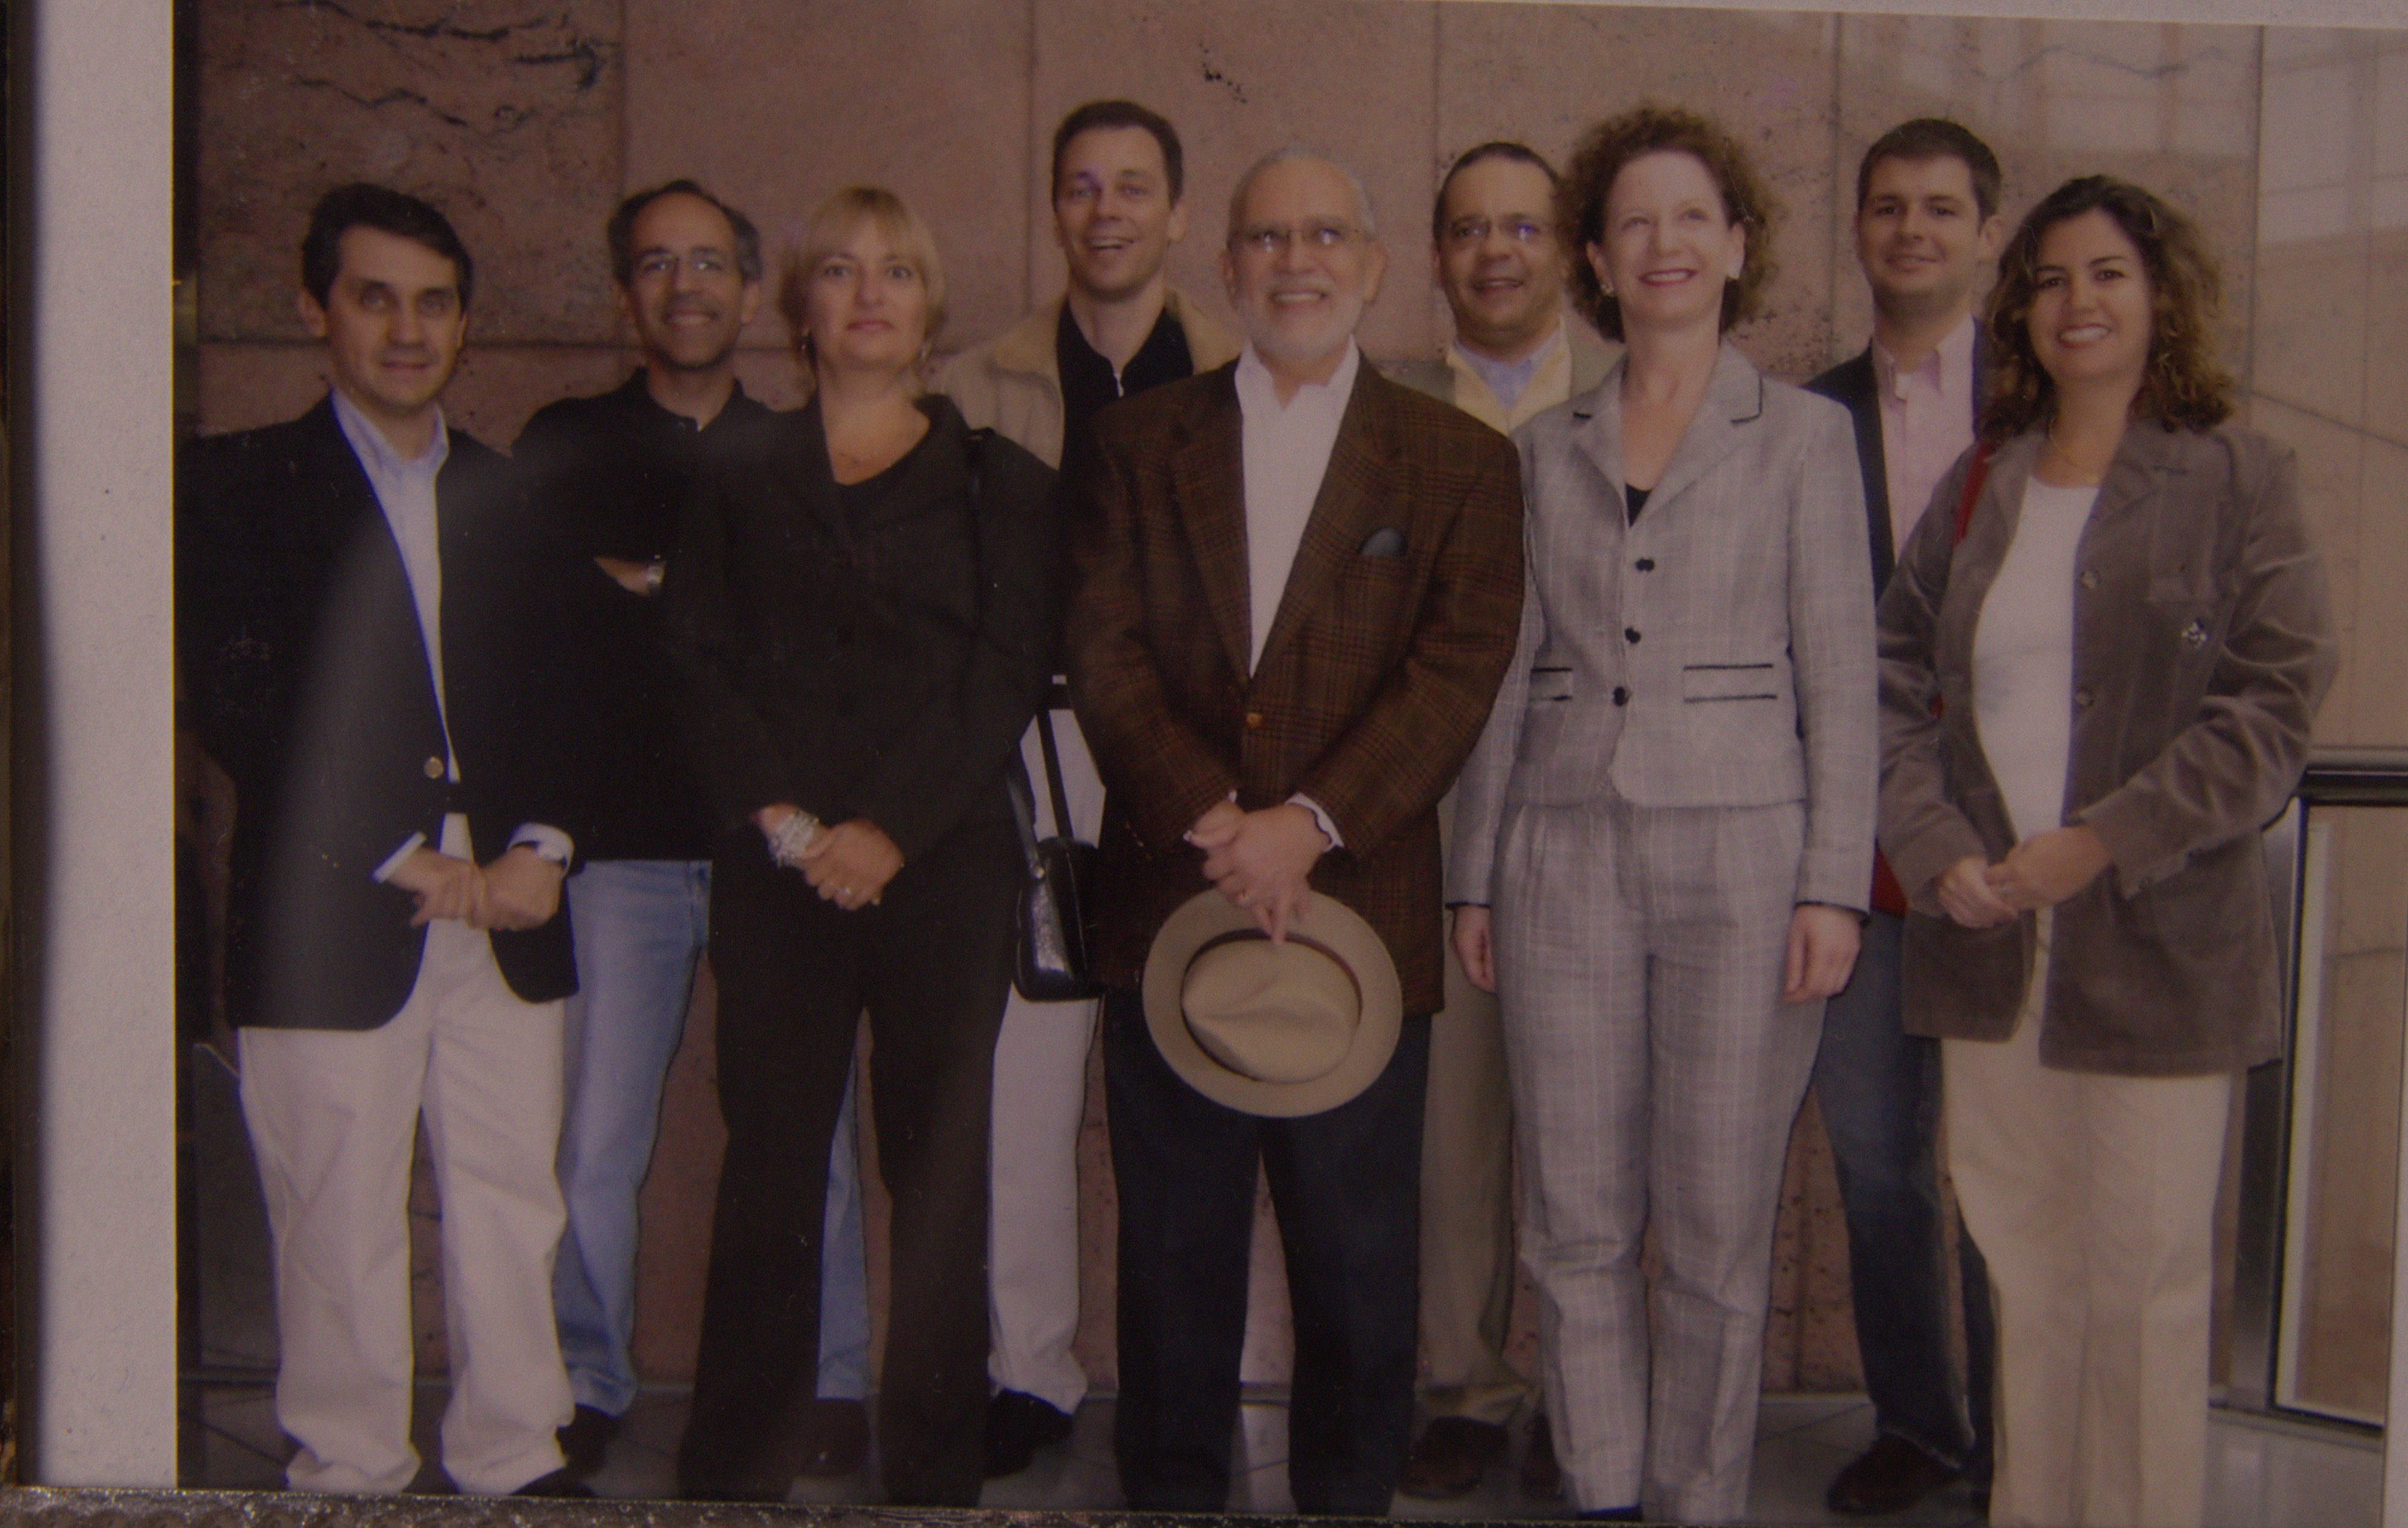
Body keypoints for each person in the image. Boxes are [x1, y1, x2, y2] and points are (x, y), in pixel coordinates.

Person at [1064, 146, 1525, 1517]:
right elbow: (1103, 650)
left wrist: (1307, 827)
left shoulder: (1457, 460)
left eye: (1327, 234)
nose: (1296, 261)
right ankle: (1172, 1495)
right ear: (1227, 270)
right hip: (1172, 903)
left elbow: (1457, 669)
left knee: (1354, 1262)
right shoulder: (1137, 445)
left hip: (1357, 916)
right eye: (1267, 238)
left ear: (1375, 267)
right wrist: (1219, 823)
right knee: (1173, 1256)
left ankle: (1343, 1499)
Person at [1876, 175, 2335, 1528]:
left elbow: (2274, 700)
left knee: (2140, 1282)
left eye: (2107, 274)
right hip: (1985, 942)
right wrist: (1931, 839)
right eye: (2052, 278)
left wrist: (2102, 840)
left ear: (2158, 297)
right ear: (2021, 308)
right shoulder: (1979, 484)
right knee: (2024, 1268)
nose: (2077, 301)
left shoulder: (2235, 475)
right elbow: (1892, 675)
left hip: (2155, 950)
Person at [1447, 105, 1876, 1523]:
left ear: (1736, 243)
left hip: (1745, 859)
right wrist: (1472, 881)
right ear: (1594, 256)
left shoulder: (1804, 437)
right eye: (1633, 220)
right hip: (1560, 849)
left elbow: (1840, 673)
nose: (1664, 243)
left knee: (1710, 1225)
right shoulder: (1543, 444)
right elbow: (1509, 674)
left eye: (1691, 216)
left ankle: (1697, 1497)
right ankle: (1598, 1485)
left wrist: (1832, 882)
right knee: (1569, 1217)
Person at [176, 183, 586, 1497]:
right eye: (374, 297)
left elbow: (579, 693)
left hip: (512, 901)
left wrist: (543, 845)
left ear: (464, 325)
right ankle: (348, 1470)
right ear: (315, 310)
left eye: (432, 302)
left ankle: (514, 1456)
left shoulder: (515, 493)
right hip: (332, 899)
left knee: (513, 1201)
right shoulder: (236, 483)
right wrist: (396, 854)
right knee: (336, 1208)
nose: (406, 330)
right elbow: (238, 698)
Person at [664, 185, 1058, 1508]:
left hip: (939, 867)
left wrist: (886, 830)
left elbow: (1000, 674)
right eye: (839, 269)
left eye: (898, 268)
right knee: (770, 1162)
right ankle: (735, 1466)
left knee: (936, 1176)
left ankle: (931, 1474)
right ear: (803, 309)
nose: (871, 291)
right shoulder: (732, 468)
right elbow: (698, 662)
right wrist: (790, 826)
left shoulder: (999, 482)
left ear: (931, 308)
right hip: (777, 873)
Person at [512, 179, 872, 1484]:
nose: (685, 287)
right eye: (656, 265)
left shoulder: (802, 447)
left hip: (773, 850)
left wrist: (647, 595)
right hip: (614, 852)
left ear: (749, 284)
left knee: (809, 1131)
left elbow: (818, 660)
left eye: (709, 262)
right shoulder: (563, 442)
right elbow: (545, 639)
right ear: (626, 294)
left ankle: (831, 1381)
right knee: (597, 1140)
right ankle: (588, 1382)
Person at [932, 99, 1239, 1479]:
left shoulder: (1247, 370)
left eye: (1133, 187)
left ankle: (1215, 1378)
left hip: (1209, 776)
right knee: (1028, 1078)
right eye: (1078, 187)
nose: (1105, 210)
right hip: (1042, 760)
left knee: (1212, 1073)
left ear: (1179, 213)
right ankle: (1033, 1368)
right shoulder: (978, 384)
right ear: (1055, 211)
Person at [1391, 137, 1612, 1505]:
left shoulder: (1643, 391)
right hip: (1436, 816)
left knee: (1596, 1138)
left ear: (1570, 249)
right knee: (1451, 1137)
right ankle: (1463, 1390)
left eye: (1521, 228)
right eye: (1468, 230)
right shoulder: (1384, 404)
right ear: (1434, 256)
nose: (1494, 252)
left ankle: (1593, 1405)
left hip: (1602, 819)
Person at [1803, 118, 2006, 1517]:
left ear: (1987, 232)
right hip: (1855, 847)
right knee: (1878, 1168)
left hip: (2010, 853)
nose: (1912, 230)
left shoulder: (2053, 401)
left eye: (1941, 208)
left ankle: (2022, 1431)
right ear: (1859, 230)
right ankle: (1920, 1427)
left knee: (2001, 1175)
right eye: (1887, 207)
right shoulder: (1801, 418)